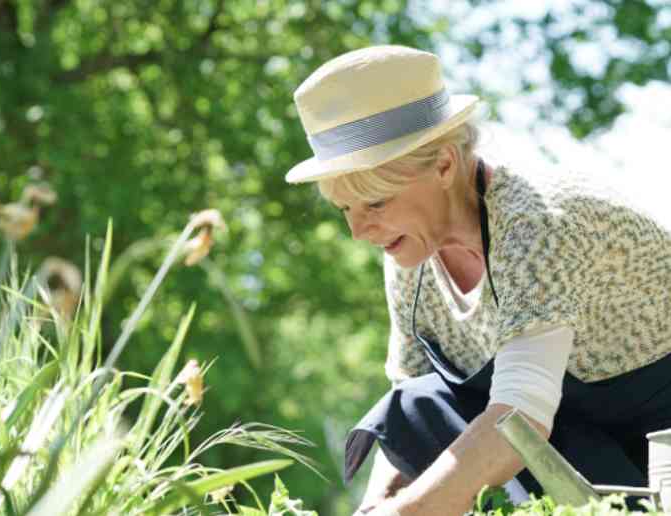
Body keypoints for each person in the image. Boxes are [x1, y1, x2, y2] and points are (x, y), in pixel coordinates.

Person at [284, 45, 671, 516]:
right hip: (573, 445)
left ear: (444, 164)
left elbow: (519, 418)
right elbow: (413, 400)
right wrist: (375, 506)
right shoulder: (412, 255)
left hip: (655, 443)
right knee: (415, 401)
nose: (358, 231)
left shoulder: (538, 224)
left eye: (376, 203)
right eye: (346, 208)